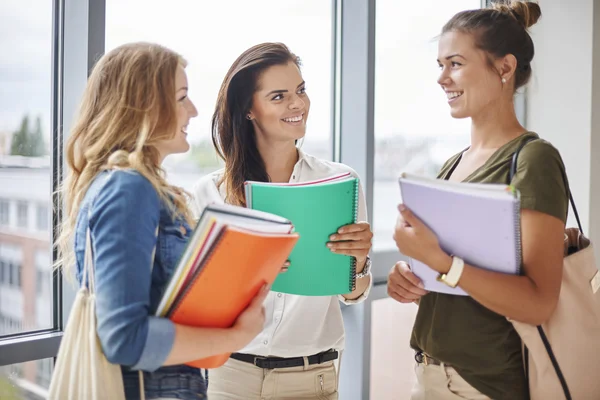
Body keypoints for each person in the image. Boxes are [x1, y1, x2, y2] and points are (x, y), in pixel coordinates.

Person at [55, 42, 269, 400]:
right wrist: (236, 337)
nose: (194, 110)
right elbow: (125, 338)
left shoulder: (127, 185)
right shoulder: (128, 188)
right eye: (182, 97)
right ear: (144, 105)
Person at [388, 2, 568, 399]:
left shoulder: (534, 159)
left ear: (504, 68)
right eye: (440, 65)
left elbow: (538, 303)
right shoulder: (453, 166)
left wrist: (442, 263)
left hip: (482, 386)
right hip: (428, 375)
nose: (441, 78)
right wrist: (411, 273)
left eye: (454, 63)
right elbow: (452, 274)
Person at [191, 42, 373, 400]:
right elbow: (199, 300)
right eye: (279, 96)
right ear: (249, 109)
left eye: (301, 91)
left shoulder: (340, 183)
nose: (298, 104)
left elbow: (351, 294)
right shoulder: (210, 192)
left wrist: (359, 261)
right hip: (229, 376)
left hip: (311, 377)